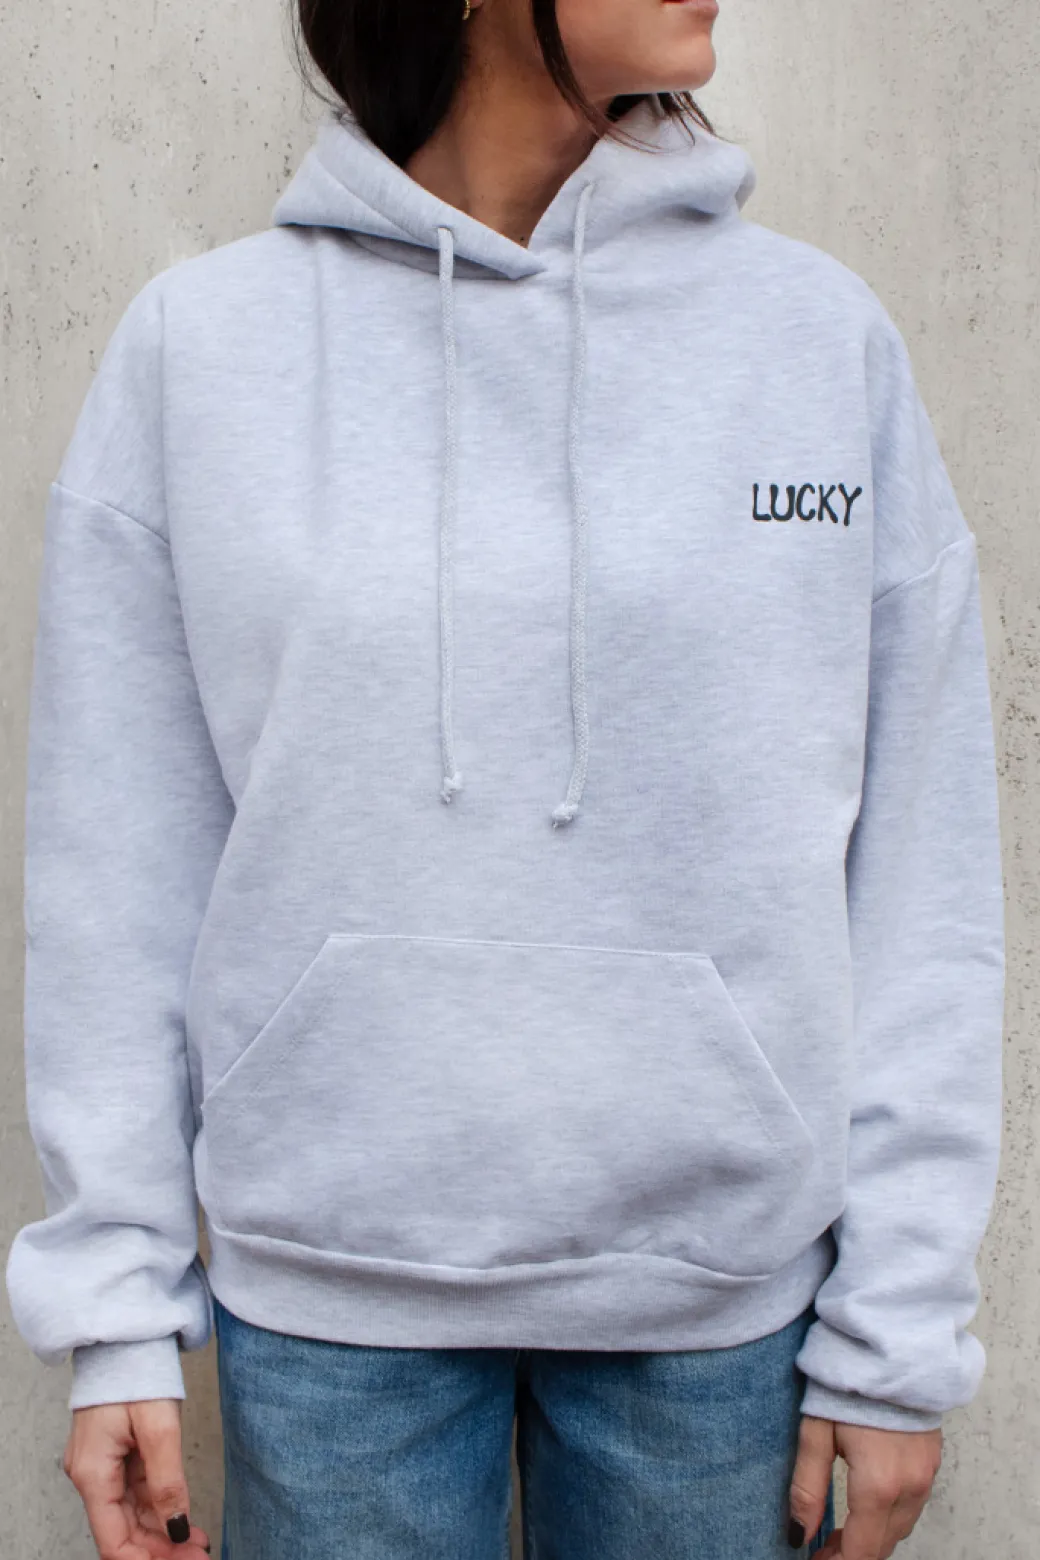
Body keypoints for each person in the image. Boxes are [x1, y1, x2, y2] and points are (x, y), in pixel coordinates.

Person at [6, 0, 1005, 1556]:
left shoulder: (818, 344)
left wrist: (900, 1330)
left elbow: (924, 875)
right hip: (333, 1309)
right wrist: (116, 1304)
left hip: (720, 1309)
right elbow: (116, 865)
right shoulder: (204, 350)